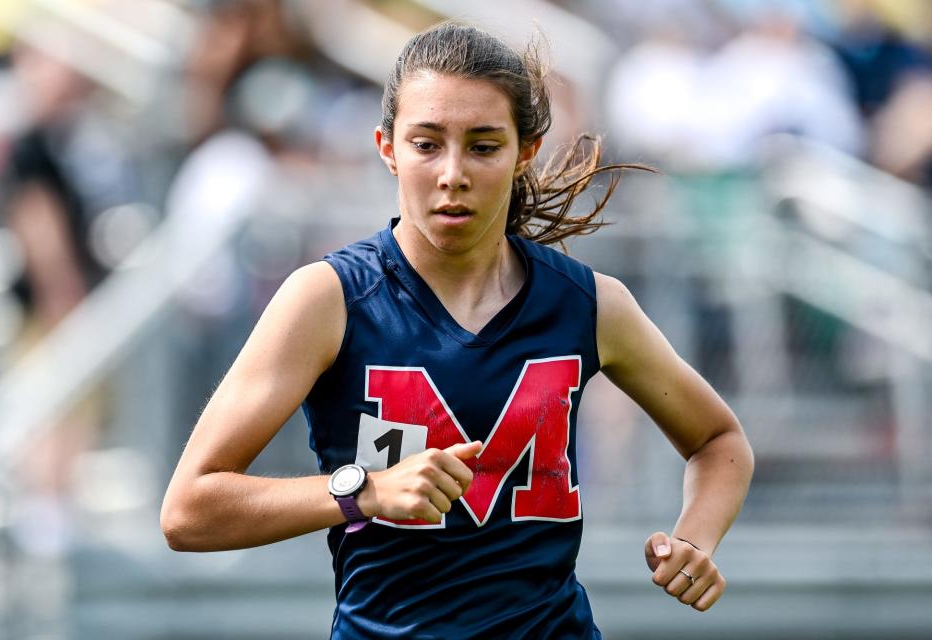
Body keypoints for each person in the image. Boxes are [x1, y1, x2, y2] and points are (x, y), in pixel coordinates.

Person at [160, 21, 754, 638]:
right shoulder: (329, 299)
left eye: (483, 145)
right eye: (426, 143)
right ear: (387, 147)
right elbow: (188, 510)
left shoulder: (590, 303)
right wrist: (361, 493)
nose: (452, 173)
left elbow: (718, 440)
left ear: (526, 149)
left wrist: (694, 540)